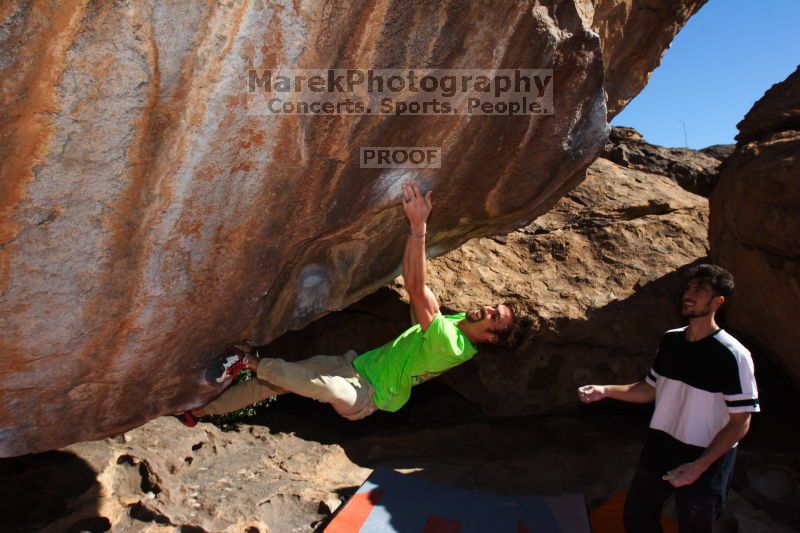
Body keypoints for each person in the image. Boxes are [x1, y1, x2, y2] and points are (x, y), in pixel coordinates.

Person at [181, 179, 527, 426]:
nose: (488, 309)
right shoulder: (452, 325)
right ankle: (198, 412)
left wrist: (419, 225)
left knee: (323, 388)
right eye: (495, 307)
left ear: (489, 338)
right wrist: (413, 231)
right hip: (354, 366)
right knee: (273, 384)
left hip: (367, 397)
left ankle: (246, 360)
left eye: (494, 319)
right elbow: (414, 283)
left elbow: (419, 289)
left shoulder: (453, 345)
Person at [578, 264, 759, 533]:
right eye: (689, 288)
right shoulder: (671, 341)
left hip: (706, 456)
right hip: (661, 447)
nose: (689, 294)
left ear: (718, 301)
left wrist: (700, 466)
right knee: (637, 518)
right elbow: (649, 389)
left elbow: (740, 422)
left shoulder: (734, 354)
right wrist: (605, 390)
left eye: (700, 290)